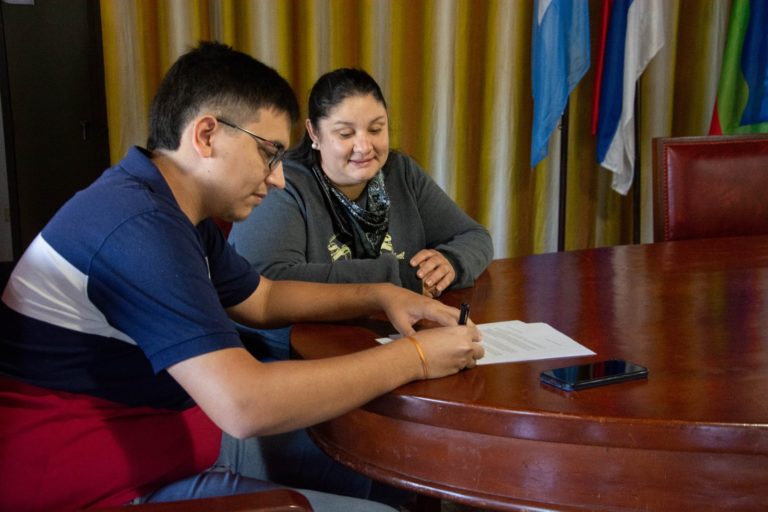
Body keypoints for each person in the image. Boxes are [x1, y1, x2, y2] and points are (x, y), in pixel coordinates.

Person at [0, 42, 484, 512]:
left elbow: (263, 297)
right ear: (207, 135)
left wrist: (381, 293)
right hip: (107, 487)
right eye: (270, 153)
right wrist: (416, 357)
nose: (277, 178)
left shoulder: (167, 206)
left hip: (181, 436)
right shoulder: (138, 229)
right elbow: (245, 404)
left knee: (386, 465)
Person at [228, 67, 493, 302]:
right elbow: (272, 280)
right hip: (297, 343)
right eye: (345, 134)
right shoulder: (283, 184)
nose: (364, 147)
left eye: (376, 129)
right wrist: (398, 278)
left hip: (388, 331)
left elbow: (474, 237)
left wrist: (451, 263)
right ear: (314, 133)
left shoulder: (400, 172)